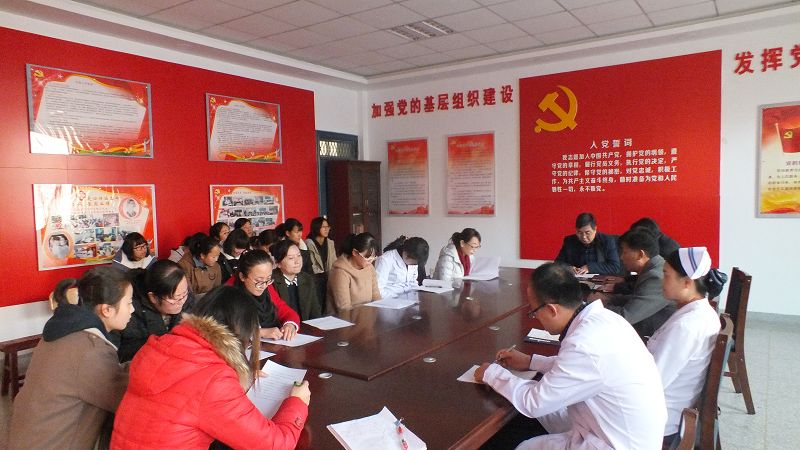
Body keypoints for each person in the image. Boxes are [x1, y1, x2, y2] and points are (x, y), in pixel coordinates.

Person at [474, 263, 666, 449]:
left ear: (551, 309)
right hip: (623, 431)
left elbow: (534, 403)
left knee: (525, 441)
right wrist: (531, 362)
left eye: (534, 312)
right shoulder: (605, 319)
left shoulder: (583, 344)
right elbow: (581, 367)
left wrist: (491, 374)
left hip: (615, 441)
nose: (536, 318)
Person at [110, 285, 310, 449]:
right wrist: (297, 402)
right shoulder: (214, 380)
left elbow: (185, 395)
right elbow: (276, 444)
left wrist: (236, 378)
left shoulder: (157, 349)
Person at [9, 266, 133, 449]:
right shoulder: (90, 351)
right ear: (106, 309)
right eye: (129, 303)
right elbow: (128, 399)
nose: (132, 309)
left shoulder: (63, 331)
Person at [648, 247, 727, 444]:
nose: (662, 281)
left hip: (660, 419)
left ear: (687, 282)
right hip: (671, 408)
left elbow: (651, 383)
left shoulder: (687, 327)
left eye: (666, 275)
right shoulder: (701, 312)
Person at [602, 228, 676, 340]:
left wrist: (596, 306)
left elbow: (625, 317)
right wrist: (609, 299)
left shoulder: (656, 277)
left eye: (624, 252)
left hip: (653, 337)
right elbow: (638, 298)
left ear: (640, 254)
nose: (621, 257)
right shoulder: (655, 266)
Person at [114, 260, 194, 363]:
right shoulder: (128, 312)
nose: (182, 301)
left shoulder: (186, 299)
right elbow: (120, 356)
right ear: (153, 297)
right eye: (176, 298)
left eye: (185, 293)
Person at [235, 249, 300, 340]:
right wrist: (260, 332)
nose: (264, 286)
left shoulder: (267, 287)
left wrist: (290, 325)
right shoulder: (228, 294)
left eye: (268, 279)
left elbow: (284, 310)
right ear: (242, 276)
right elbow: (225, 330)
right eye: (258, 280)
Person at [328, 232, 380, 313]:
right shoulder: (340, 271)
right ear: (355, 252)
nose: (371, 261)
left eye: (373, 257)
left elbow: (376, 297)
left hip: (368, 315)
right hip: (344, 317)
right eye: (367, 257)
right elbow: (344, 308)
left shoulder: (369, 267)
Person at [271, 239, 322, 320]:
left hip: (306, 326)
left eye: (299, 255)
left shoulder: (307, 279)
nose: (297, 261)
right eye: (291, 258)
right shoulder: (271, 282)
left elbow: (315, 312)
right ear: (278, 263)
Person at [555, 212, 620, 275]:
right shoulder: (569, 241)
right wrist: (568, 268)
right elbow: (558, 263)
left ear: (595, 229)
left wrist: (589, 268)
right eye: (579, 233)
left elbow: (614, 267)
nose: (584, 237)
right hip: (575, 279)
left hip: (599, 279)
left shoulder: (607, 241)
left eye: (587, 233)